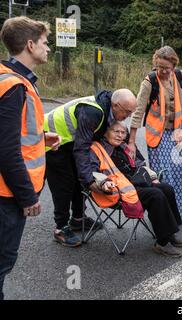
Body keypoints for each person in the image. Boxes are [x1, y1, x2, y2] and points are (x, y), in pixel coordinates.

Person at [0, 17, 61, 300]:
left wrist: (41, 139)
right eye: (45, 43)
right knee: (2, 262)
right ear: (29, 44)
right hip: (7, 195)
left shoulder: (9, 78)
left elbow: (16, 135)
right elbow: (6, 149)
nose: (48, 48)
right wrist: (28, 197)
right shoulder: (14, 86)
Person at [44, 89, 137, 247]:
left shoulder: (108, 109)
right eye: (127, 112)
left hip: (69, 140)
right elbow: (82, 148)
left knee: (79, 177)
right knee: (64, 184)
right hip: (52, 140)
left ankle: (78, 219)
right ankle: (61, 228)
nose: (128, 116)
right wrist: (90, 181)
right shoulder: (93, 112)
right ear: (116, 105)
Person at [89, 122, 182, 257]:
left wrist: (153, 178)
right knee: (155, 195)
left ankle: (169, 233)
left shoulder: (125, 146)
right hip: (119, 190)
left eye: (123, 132)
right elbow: (91, 172)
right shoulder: (97, 149)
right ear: (106, 133)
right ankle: (162, 243)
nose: (120, 135)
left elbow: (141, 164)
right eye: (116, 131)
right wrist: (104, 183)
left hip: (136, 181)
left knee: (166, 188)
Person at [129, 46, 182, 222]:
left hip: (178, 133)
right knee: (164, 176)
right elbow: (138, 112)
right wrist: (131, 141)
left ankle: (181, 208)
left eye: (167, 68)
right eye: (159, 67)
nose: (163, 71)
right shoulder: (149, 81)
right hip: (158, 135)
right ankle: (168, 215)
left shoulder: (181, 77)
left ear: (174, 65)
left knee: (181, 173)